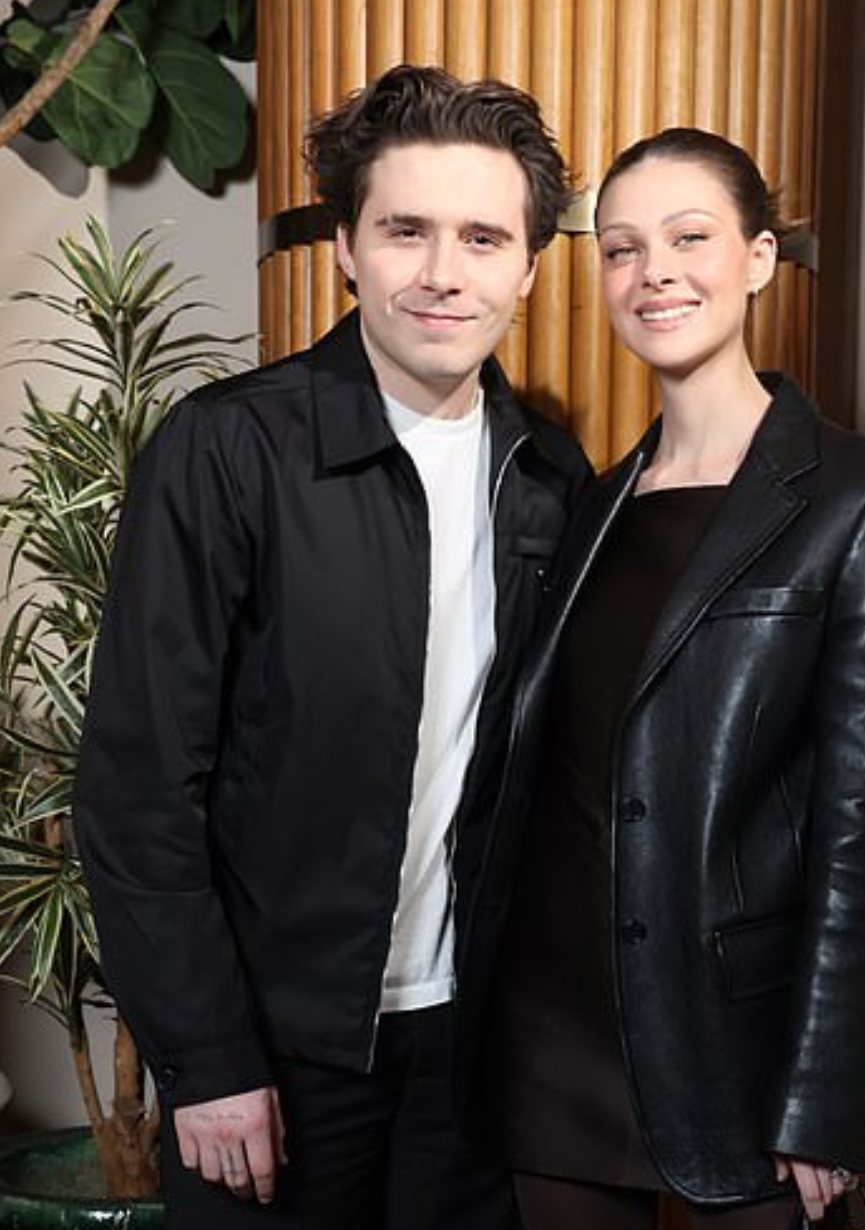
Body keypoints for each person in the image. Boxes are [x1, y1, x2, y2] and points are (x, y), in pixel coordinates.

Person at [74, 64, 590, 1230]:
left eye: (482, 238)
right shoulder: (225, 451)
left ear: (526, 266)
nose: (442, 272)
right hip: (272, 1053)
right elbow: (138, 788)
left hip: (471, 1057)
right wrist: (207, 1057)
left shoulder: (549, 479)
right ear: (347, 249)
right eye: (405, 231)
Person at [458, 128, 865, 1230]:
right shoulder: (588, 504)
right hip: (550, 1033)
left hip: (735, 1048)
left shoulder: (860, 501)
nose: (652, 273)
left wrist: (825, 1094)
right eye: (621, 249)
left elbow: (864, 831)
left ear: (759, 258)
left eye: (688, 238)